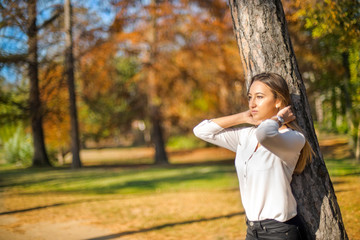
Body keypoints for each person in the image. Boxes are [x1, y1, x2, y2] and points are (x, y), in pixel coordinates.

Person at [193, 73, 313, 240]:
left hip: (281, 232)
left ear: (278, 101)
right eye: (250, 97)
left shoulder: (292, 139)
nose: (252, 103)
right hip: (253, 230)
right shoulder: (246, 136)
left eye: (260, 97)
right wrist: (243, 116)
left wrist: (279, 119)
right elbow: (201, 131)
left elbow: (265, 134)